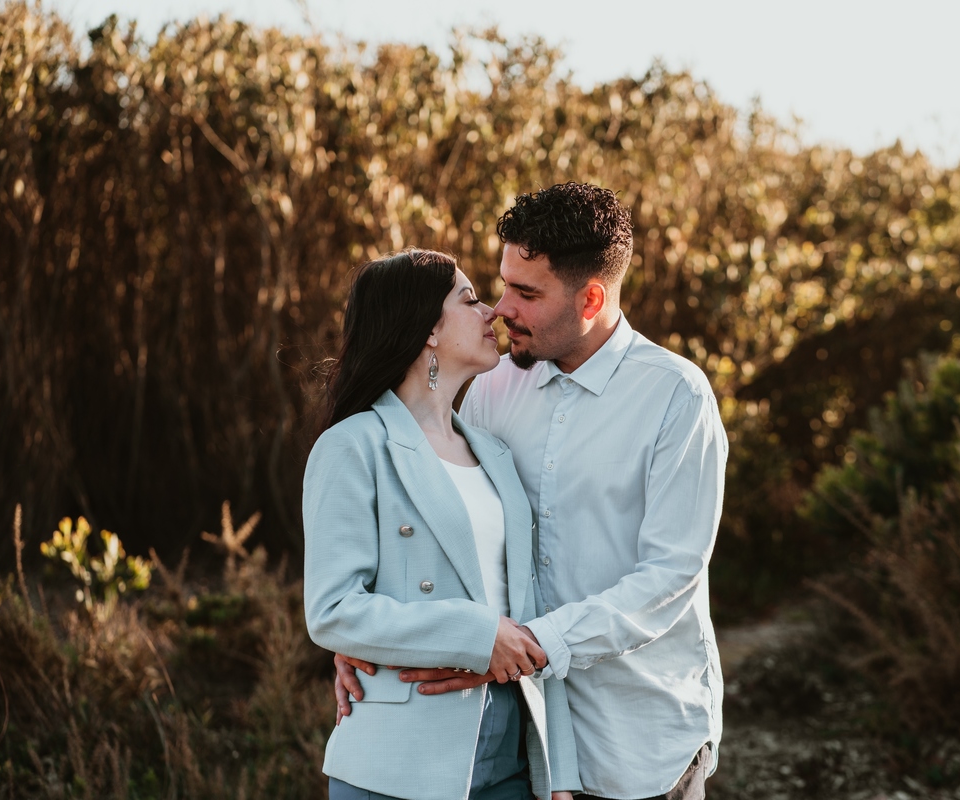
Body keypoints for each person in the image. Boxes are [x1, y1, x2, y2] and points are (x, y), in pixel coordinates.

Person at [335, 185, 728, 800]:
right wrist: (374, 637)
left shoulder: (675, 397)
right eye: (501, 284)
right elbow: (453, 528)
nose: (500, 308)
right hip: (518, 740)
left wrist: (530, 646)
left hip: (637, 738)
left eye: (526, 293)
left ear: (591, 298)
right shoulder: (493, 388)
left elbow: (669, 578)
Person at [303, 249, 580, 800]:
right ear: (427, 329)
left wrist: (560, 772)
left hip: (511, 761)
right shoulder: (353, 446)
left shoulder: (496, 454)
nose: (492, 313)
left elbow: (529, 610)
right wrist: (476, 635)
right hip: (397, 764)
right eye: (470, 299)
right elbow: (333, 611)